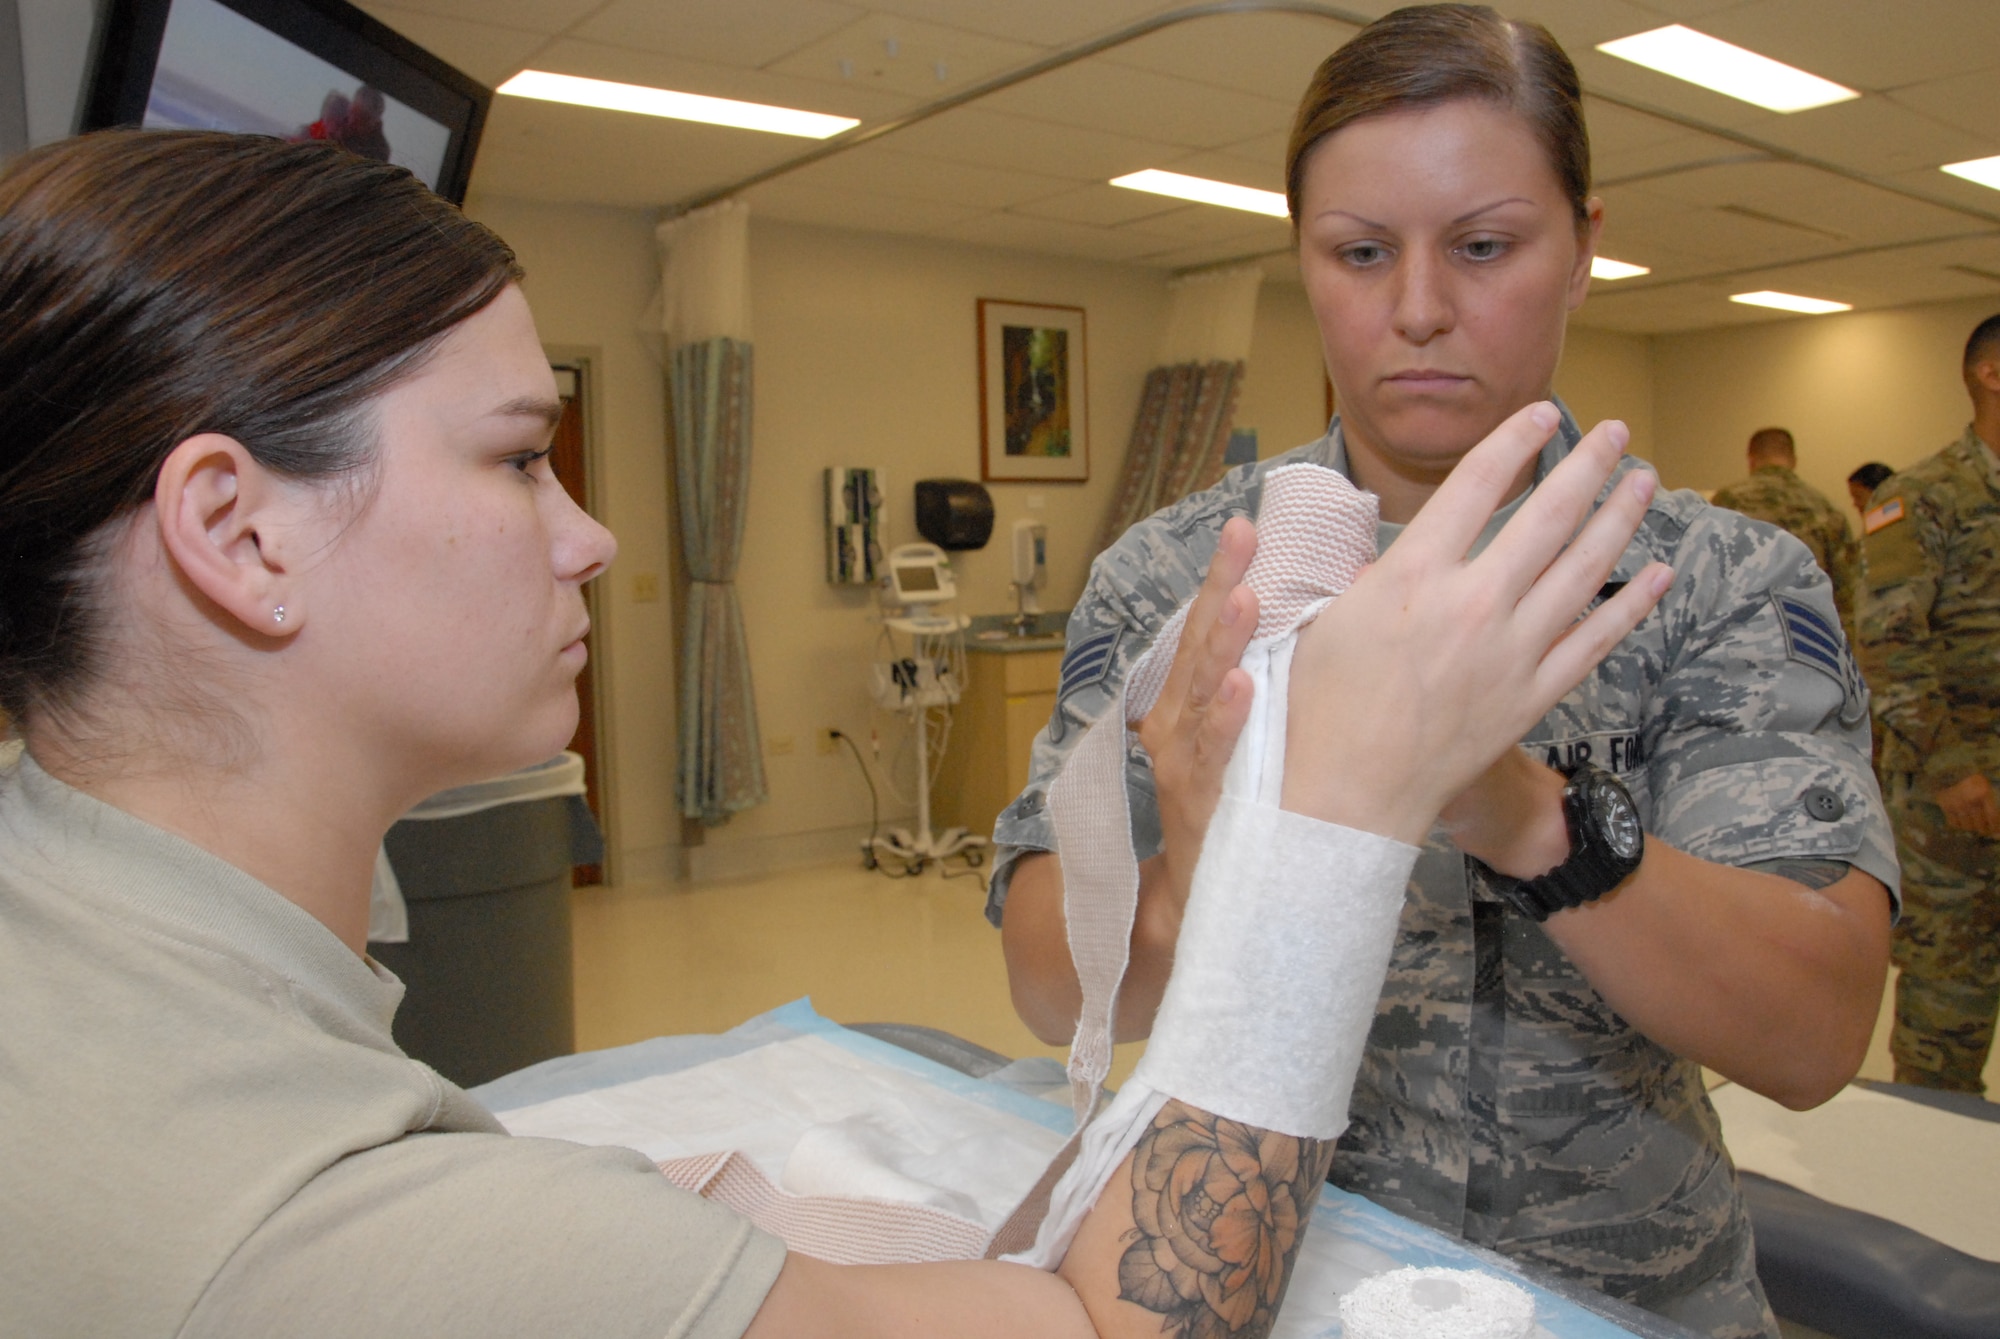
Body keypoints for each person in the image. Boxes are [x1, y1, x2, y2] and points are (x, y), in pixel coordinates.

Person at [0, 131, 1664, 1338]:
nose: (589, 538)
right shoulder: (314, 1221)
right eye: (518, 456)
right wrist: (1337, 818)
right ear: (239, 533)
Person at [991, 9, 1896, 1339]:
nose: (1417, 308)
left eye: (1484, 246)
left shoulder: (1714, 582)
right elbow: (1048, 986)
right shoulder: (1183, 580)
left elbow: (1815, 1032)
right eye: (1360, 252)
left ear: (1584, 244)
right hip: (1277, 1273)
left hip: (1631, 1291)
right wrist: (1202, 862)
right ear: (1303, 257)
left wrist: (1509, 803)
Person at [1854, 313, 2000, 1095]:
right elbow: (1888, 646)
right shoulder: (1924, 496)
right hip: (1961, 808)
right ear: (1990, 374)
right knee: (1948, 1016)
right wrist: (1952, 772)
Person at [1711, 427, 1861, 637]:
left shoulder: (1727, 502)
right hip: (1808, 635)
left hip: (1746, 637)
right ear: (1793, 460)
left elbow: (1709, 579)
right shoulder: (1827, 508)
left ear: (1751, 460)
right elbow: (1846, 594)